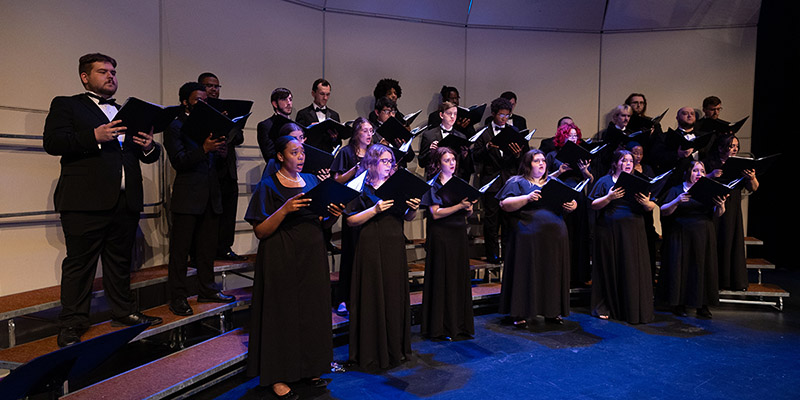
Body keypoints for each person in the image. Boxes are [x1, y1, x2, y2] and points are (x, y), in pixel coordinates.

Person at [43, 53, 163, 347]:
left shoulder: (127, 111)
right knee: (80, 265)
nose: (111, 76)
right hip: (84, 202)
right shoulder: (66, 104)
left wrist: (150, 146)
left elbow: (148, 155)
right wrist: (93, 136)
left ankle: (123, 312)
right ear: (85, 77)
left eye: (113, 71)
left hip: (125, 201)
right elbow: (53, 142)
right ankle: (73, 323)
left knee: (120, 262)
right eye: (103, 71)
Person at [244, 135, 344, 399]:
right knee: (283, 315)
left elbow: (321, 223)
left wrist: (332, 215)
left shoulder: (312, 181)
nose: (300, 157)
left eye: (302, 152)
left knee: (312, 311)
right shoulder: (268, 185)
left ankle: (310, 368)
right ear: (280, 156)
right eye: (294, 152)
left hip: (312, 255)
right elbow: (261, 231)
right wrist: (285, 210)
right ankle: (278, 376)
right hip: (282, 256)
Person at [164, 82, 236, 317]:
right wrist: (204, 149)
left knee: (207, 250)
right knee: (180, 252)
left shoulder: (210, 126)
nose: (203, 105)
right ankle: (177, 297)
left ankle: (208, 289)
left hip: (211, 196)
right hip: (188, 197)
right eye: (197, 101)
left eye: (205, 101)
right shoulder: (175, 126)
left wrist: (222, 153)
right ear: (185, 102)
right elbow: (180, 161)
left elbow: (215, 163)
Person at [345, 144, 420, 370]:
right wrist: (374, 210)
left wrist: (413, 208)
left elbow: (407, 217)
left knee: (392, 294)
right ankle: (370, 351)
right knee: (372, 294)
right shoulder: (360, 186)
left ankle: (394, 348)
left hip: (393, 245)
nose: (389, 166)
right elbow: (350, 220)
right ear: (371, 163)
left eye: (391, 162)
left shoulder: (397, 186)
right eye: (384, 161)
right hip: (369, 245)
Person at [497, 149, 575, 326]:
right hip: (528, 236)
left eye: (543, 161)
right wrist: (527, 198)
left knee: (552, 272)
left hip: (554, 236)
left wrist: (572, 205)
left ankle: (552, 311)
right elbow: (504, 204)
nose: (541, 163)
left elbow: (571, 200)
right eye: (536, 161)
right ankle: (521, 312)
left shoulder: (554, 182)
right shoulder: (517, 182)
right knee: (527, 273)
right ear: (527, 164)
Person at [589, 149, 656, 324]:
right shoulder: (604, 181)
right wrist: (609, 197)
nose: (627, 163)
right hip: (609, 231)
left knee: (631, 268)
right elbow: (593, 205)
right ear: (615, 163)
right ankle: (606, 306)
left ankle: (631, 308)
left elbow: (651, 206)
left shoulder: (640, 181)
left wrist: (646, 203)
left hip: (634, 231)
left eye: (630, 161)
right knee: (609, 267)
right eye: (623, 160)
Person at [420, 147, 476, 341]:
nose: (452, 163)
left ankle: (459, 324)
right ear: (438, 163)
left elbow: (466, 212)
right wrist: (459, 206)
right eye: (447, 160)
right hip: (442, 235)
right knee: (442, 278)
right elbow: (435, 213)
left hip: (459, 233)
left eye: (453, 159)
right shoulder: (433, 185)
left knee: (458, 277)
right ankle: (440, 327)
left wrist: (467, 209)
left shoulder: (459, 184)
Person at [659, 160, 727, 318]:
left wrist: (722, 205)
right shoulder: (677, 189)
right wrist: (677, 201)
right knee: (681, 267)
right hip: (681, 233)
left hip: (704, 234)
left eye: (702, 171)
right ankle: (679, 303)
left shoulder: (708, 189)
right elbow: (663, 210)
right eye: (695, 170)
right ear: (688, 172)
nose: (699, 174)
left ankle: (702, 305)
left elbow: (717, 213)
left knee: (702, 267)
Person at [197, 72, 247, 262]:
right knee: (209, 214)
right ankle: (206, 251)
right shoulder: (199, 111)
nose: (213, 90)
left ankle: (225, 248)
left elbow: (240, 137)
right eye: (209, 86)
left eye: (217, 86)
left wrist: (228, 127)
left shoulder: (227, 110)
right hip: (208, 169)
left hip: (228, 169)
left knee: (229, 210)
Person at [472, 97, 528, 264]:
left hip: (509, 182)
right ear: (494, 114)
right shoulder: (483, 132)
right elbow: (475, 156)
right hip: (491, 182)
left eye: (507, 116)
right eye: (501, 115)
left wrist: (518, 155)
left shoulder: (514, 131)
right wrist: (487, 148)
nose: (504, 119)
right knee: (491, 221)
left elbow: (523, 158)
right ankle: (492, 255)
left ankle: (508, 253)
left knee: (509, 221)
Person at [329, 117, 374, 317]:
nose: (369, 134)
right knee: (350, 254)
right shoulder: (346, 152)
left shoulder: (374, 153)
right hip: (352, 207)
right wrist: (356, 169)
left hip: (369, 205)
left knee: (366, 254)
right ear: (356, 133)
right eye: (365, 130)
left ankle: (363, 298)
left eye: (371, 131)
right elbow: (336, 179)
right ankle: (343, 299)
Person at [703, 135, 759, 291]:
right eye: (730, 146)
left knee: (730, 241)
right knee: (715, 241)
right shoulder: (710, 163)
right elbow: (698, 182)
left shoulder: (741, 165)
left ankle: (729, 281)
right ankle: (712, 280)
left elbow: (753, 187)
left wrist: (752, 178)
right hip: (714, 206)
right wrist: (710, 175)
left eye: (736, 146)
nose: (734, 149)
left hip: (732, 208)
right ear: (721, 148)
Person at [545, 122, 593, 287]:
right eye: (569, 135)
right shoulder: (552, 155)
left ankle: (578, 275)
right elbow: (544, 179)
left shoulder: (581, 155)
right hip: (560, 195)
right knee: (564, 233)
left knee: (579, 234)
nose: (573, 138)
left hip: (578, 196)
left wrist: (585, 170)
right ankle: (560, 274)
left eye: (575, 136)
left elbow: (590, 179)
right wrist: (560, 171)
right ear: (561, 137)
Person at [418, 101, 471, 180]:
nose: (453, 117)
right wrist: (430, 151)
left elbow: (466, 166)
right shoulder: (429, 135)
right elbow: (421, 162)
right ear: (441, 115)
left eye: (455, 114)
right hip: (435, 180)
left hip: (454, 180)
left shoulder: (461, 137)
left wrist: (465, 155)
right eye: (449, 113)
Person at [295, 78, 343, 152]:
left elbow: (338, 143)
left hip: (327, 157)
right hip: (310, 156)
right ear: (313, 93)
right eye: (322, 94)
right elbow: (297, 140)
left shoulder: (334, 115)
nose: (325, 98)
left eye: (328, 94)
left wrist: (334, 138)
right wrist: (310, 129)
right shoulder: (303, 114)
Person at [256, 87, 294, 163]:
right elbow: (269, 155)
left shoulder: (295, 126)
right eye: (284, 99)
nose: (289, 103)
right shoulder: (265, 125)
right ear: (275, 104)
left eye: (290, 99)